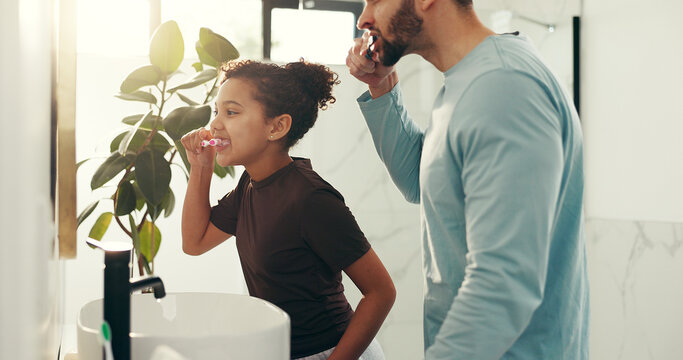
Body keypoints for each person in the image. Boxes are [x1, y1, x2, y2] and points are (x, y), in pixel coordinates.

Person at [345, 0, 589, 359]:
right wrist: (381, 85)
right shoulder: (470, 81)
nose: (364, 18)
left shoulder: (503, 87)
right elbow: (419, 179)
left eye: (376, 0)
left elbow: (503, 283)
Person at [180, 59, 395, 360]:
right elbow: (194, 242)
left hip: (334, 352)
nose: (215, 124)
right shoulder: (249, 187)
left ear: (277, 127)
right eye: (217, 111)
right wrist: (201, 169)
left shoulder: (312, 199)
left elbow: (382, 292)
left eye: (231, 112)